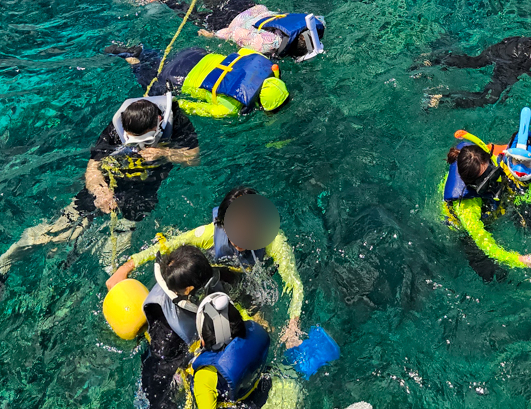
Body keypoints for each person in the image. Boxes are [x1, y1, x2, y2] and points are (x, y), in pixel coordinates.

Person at [0, 96, 199, 280]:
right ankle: (5, 262)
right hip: (111, 178)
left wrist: (165, 153)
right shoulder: (117, 127)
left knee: (120, 243)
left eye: (145, 142)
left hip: (145, 187)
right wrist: (99, 191)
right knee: (60, 227)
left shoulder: (177, 122)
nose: (138, 148)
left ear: (158, 121)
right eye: (131, 141)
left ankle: (109, 273)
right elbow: (93, 165)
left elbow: (193, 158)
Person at [107, 188, 305, 347]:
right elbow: (171, 244)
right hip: (214, 274)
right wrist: (128, 265)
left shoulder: (274, 241)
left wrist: (293, 324)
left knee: (263, 327)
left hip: (246, 281)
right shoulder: (211, 232)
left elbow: (295, 285)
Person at [140, 244, 268, 409]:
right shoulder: (167, 333)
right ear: (188, 291)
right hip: (174, 356)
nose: (215, 285)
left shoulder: (212, 276)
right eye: (207, 287)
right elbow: (157, 387)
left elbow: (248, 296)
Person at [441, 110, 531, 280]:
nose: (494, 177)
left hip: (494, 203)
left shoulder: (492, 162)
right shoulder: (466, 207)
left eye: (492, 172)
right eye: (488, 180)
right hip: (467, 232)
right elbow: (488, 246)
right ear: (475, 185)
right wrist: (524, 260)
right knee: (494, 275)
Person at [108, 43, 290, 117]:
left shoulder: (263, 64)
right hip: (179, 76)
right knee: (153, 86)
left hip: (195, 54)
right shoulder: (230, 108)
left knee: (161, 60)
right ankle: (133, 62)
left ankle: (142, 50)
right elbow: (186, 105)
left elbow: (241, 52)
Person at [148, 0, 326, 61]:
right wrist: (215, 35)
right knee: (193, 15)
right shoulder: (270, 44)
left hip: (247, 6)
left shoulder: (308, 23)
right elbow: (239, 34)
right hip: (228, 22)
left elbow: (319, 19)